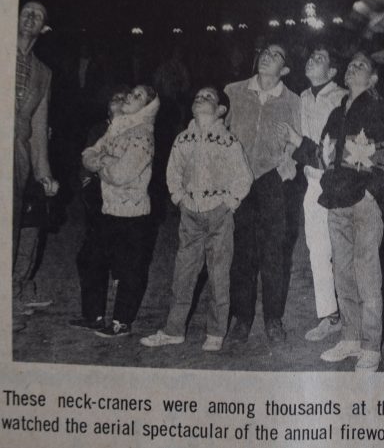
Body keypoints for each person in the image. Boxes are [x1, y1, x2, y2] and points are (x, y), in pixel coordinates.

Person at [278, 51, 384, 372]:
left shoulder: (379, 111)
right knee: (343, 274)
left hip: (363, 206)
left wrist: (371, 197)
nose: (353, 69)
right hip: (335, 202)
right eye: (351, 65)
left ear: (373, 79)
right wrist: (299, 143)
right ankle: (350, 337)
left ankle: (371, 346)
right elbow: (324, 158)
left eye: (361, 66)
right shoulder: (337, 113)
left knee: (367, 276)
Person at [140, 87, 252, 352]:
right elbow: (173, 171)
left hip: (219, 214)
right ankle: (174, 329)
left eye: (209, 97)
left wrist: (230, 203)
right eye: (198, 96)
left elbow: (243, 176)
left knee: (218, 274)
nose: (201, 98)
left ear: (221, 110)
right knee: (183, 273)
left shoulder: (229, 141)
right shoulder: (183, 139)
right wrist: (179, 198)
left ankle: (215, 331)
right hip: (190, 213)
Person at [224, 42, 301, 344]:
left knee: (274, 253)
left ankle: (273, 319)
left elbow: (296, 139)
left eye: (277, 55)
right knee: (241, 252)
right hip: (239, 179)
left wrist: (286, 165)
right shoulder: (233, 91)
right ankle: (241, 319)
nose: (268, 56)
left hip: (272, 181)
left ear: (285, 69)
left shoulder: (292, 100)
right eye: (265, 52)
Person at [69, 85, 160, 338]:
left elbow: (121, 174)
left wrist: (100, 163)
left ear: (148, 107)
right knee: (89, 259)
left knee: (130, 269)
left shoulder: (143, 136)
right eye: (131, 93)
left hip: (132, 216)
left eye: (138, 96)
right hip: (109, 209)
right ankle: (94, 316)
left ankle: (121, 322)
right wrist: (103, 161)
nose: (130, 97)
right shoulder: (117, 128)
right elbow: (88, 154)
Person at [13, 1, 59, 319]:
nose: (31, 16)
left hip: (17, 153)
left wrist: (43, 173)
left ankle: (10, 298)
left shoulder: (43, 73)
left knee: (13, 227)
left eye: (38, 14)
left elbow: (39, 127)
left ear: (43, 29)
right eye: (26, 10)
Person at [299, 45, 347, 341]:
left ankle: (351, 312)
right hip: (312, 182)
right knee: (317, 250)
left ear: (331, 72)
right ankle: (330, 315)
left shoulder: (341, 97)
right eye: (311, 56)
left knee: (341, 249)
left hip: (337, 182)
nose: (311, 60)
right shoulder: (302, 97)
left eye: (320, 59)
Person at [75, 88, 128, 311]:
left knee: (117, 243)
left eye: (125, 99)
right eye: (115, 98)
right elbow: (87, 157)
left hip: (122, 195)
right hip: (97, 193)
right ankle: (92, 311)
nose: (119, 102)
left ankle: (117, 278)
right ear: (107, 106)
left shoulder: (134, 132)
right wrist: (87, 181)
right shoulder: (98, 129)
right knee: (92, 249)